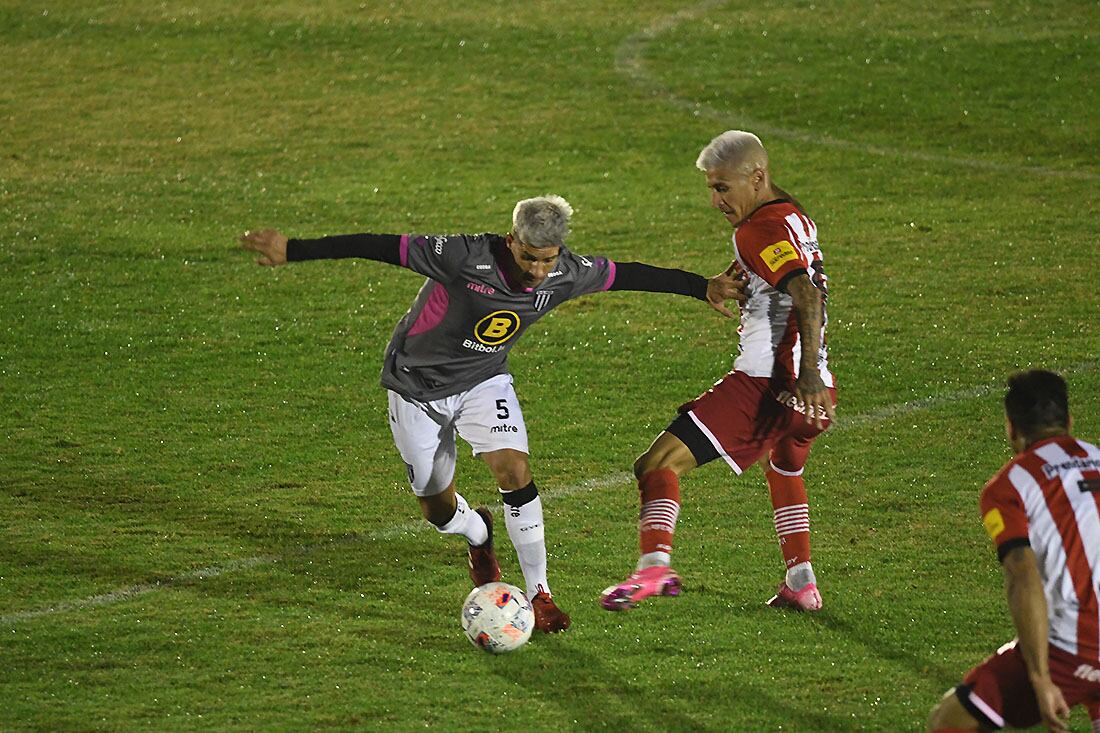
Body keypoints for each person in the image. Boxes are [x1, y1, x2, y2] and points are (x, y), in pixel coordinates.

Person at [240, 195, 745, 634]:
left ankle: (539, 594)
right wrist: (294, 250)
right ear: (511, 240)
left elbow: (629, 275)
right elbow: (380, 245)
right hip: (416, 387)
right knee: (437, 511)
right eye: (529, 257)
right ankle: (478, 534)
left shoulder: (567, 272)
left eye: (547, 260)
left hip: (484, 380)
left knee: (515, 470)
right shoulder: (463, 256)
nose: (537, 271)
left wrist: (701, 287)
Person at [601, 130, 837, 613]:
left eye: (723, 188)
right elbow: (785, 275)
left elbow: (805, 295)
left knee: (656, 464)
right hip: (818, 399)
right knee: (785, 467)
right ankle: (802, 582)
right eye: (710, 188)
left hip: (769, 386)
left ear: (757, 177)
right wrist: (728, 280)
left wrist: (804, 372)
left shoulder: (759, 230)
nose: (715, 200)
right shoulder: (791, 214)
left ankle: (653, 567)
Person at [928, 370, 1100, 733]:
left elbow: (1023, 574)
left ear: (1011, 428)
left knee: (949, 723)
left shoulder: (1009, 487)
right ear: (1069, 421)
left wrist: (1040, 677)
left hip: (1073, 647)